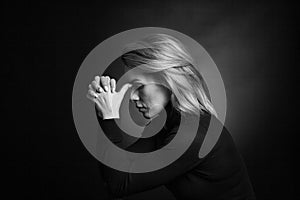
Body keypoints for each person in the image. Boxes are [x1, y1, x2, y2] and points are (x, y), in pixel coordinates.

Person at [87, 34, 256, 200]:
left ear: (167, 81)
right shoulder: (169, 120)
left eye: (139, 86)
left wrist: (108, 117)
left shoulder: (191, 135)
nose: (132, 97)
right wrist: (105, 108)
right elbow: (120, 170)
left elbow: (118, 185)